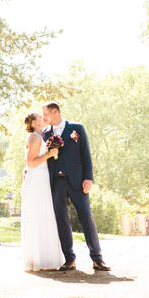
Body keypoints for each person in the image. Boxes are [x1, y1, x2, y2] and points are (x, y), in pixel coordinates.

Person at [42, 101, 111, 271]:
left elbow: (86, 154)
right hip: (56, 182)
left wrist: (88, 178)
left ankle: (97, 258)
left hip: (77, 181)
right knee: (62, 220)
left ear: (55, 112)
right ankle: (69, 259)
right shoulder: (45, 133)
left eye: (46, 114)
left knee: (86, 216)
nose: (43, 117)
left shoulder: (77, 128)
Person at [20, 112, 65, 271]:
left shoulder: (41, 136)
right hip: (36, 179)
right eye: (40, 117)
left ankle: (46, 259)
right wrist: (49, 154)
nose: (43, 118)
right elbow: (30, 163)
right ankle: (38, 260)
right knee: (38, 215)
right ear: (33, 123)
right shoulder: (34, 137)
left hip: (42, 177)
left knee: (44, 214)